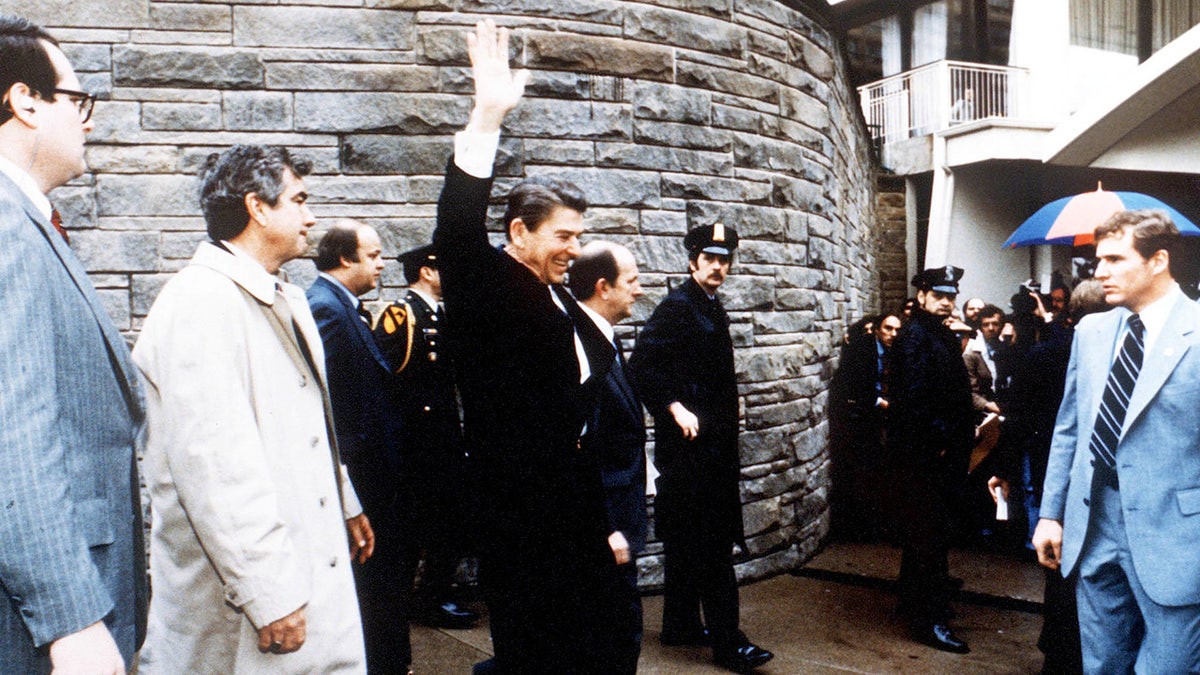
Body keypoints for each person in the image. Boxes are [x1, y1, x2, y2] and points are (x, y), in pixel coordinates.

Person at [133, 145, 372, 672]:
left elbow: (304, 424)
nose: (311, 217)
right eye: (299, 200)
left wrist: (344, 499)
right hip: (243, 616)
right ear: (257, 208)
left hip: (301, 568)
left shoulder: (280, 297)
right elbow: (216, 469)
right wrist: (268, 593)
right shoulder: (201, 304)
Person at [432, 20, 625, 672]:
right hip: (519, 520)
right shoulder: (488, 284)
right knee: (535, 656)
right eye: (564, 235)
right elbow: (458, 229)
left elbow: (577, 414)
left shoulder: (560, 297)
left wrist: (603, 521)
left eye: (580, 236)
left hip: (570, 511)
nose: (575, 248)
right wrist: (486, 116)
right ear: (518, 230)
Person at [0, 15, 148, 673]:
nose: (87, 120)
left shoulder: (29, 220)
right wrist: (71, 619)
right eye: (78, 100)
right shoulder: (6, 226)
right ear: (24, 99)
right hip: (44, 624)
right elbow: (13, 433)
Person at [1033, 210, 1200, 672]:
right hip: (1095, 528)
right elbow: (1070, 429)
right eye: (1096, 259)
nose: (1098, 271)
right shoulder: (1091, 331)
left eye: (1113, 259)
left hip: (1179, 541)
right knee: (1101, 666)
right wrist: (1050, 514)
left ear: (1158, 260)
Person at [630, 223, 774, 672]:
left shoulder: (709, 305)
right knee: (711, 546)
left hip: (709, 449)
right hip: (693, 452)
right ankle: (730, 645)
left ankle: (680, 625)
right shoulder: (678, 306)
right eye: (710, 258)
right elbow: (641, 366)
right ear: (692, 261)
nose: (718, 266)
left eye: (724, 259)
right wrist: (673, 405)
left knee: (688, 541)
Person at [307, 221, 414, 673]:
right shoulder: (326, 309)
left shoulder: (344, 306)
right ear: (346, 259)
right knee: (372, 587)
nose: (382, 263)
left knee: (383, 587)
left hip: (376, 479)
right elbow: (325, 403)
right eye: (372, 255)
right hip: (361, 482)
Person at [373, 244, 478, 631]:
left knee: (448, 525)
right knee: (413, 528)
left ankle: (434, 596)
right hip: (416, 444)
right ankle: (404, 603)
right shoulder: (402, 315)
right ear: (428, 272)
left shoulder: (442, 315)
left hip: (445, 441)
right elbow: (382, 380)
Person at [567, 240, 649, 675]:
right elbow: (580, 449)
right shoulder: (580, 346)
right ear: (603, 287)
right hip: (604, 529)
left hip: (618, 515)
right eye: (632, 281)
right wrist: (606, 528)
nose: (639, 290)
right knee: (610, 638)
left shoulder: (603, 338)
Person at [886, 265, 975, 654]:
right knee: (929, 536)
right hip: (927, 455)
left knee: (928, 534)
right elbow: (915, 400)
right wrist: (940, 442)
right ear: (921, 296)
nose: (947, 302)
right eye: (939, 296)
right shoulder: (915, 336)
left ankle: (915, 599)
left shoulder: (934, 332)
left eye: (951, 296)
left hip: (939, 452)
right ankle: (928, 621)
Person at [829, 313, 901, 540]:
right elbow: (855, 384)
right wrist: (881, 402)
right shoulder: (862, 348)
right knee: (862, 469)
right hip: (860, 416)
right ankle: (858, 526)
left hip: (884, 415)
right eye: (888, 329)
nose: (893, 334)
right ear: (878, 329)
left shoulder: (897, 352)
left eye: (897, 330)